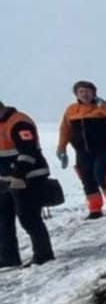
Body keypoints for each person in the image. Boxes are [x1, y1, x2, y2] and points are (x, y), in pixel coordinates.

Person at [0, 97, 57, 267]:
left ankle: (43, 254)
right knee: (3, 220)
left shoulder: (19, 122)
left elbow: (28, 152)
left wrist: (19, 176)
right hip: (4, 179)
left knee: (28, 217)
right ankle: (8, 259)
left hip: (29, 178)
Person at [56, 79, 106, 218]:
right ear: (76, 94)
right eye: (81, 91)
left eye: (87, 91)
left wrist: (103, 106)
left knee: (102, 176)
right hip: (82, 152)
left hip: (105, 149)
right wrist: (61, 148)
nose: (84, 94)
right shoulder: (71, 110)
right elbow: (65, 129)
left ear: (94, 92)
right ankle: (95, 209)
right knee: (87, 178)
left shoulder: (102, 106)